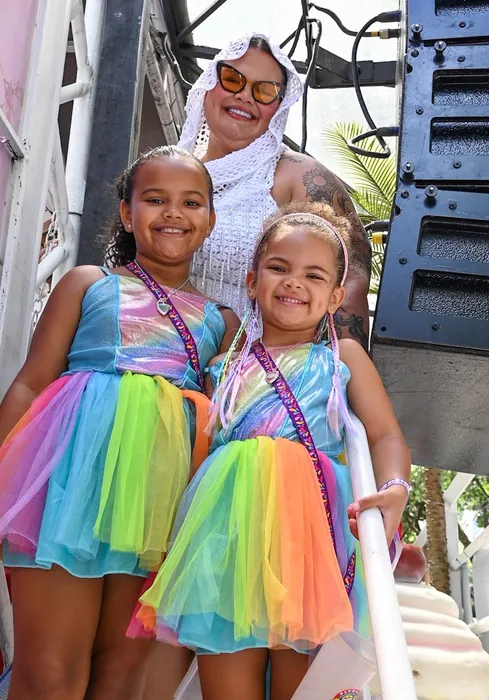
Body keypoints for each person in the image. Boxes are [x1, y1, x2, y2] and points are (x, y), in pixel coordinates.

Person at [134, 202, 411, 700]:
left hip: (308, 543)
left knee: (299, 686)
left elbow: (385, 435)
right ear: (250, 280)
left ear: (335, 297)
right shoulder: (223, 366)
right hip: (224, 542)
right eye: (278, 268)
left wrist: (394, 488)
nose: (293, 283)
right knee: (228, 680)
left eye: (313, 274)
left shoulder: (341, 358)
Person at [0, 145, 240, 700]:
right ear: (128, 213)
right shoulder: (88, 284)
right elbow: (31, 383)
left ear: (210, 218)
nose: (173, 213)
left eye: (191, 202)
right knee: (51, 676)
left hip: (161, 505)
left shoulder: (220, 322)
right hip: (67, 490)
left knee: (120, 683)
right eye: (155, 200)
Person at [180, 33, 372, 349]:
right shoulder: (168, 171)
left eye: (264, 90)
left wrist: (333, 380)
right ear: (208, 83)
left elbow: (351, 280)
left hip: (261, 380)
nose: (245, 96)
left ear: (278, 108)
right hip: (162, 363)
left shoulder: (300, 176)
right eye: (232, 79)